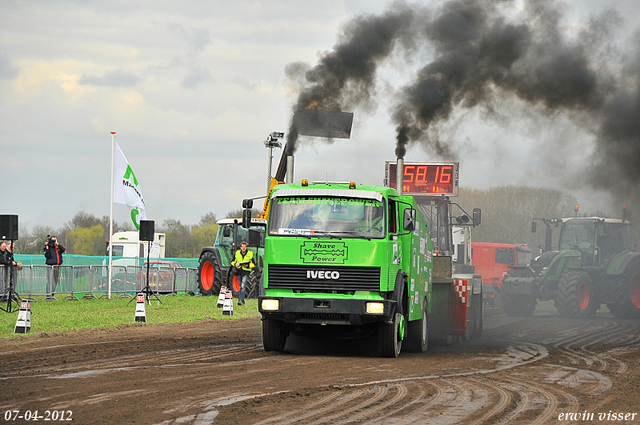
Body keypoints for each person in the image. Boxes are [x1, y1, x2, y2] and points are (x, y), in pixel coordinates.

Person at [231, 241, 254, 306]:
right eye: (242, 247)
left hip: (246, 272)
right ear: (240, 247)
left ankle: (240, 300)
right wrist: (236, 264)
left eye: (245, 247)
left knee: (243, 286)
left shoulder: (250, 253)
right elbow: (232, 262)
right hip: (238, 271)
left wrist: (248, 266)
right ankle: (242, 300)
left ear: (246, 247)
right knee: (241, 286)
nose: (244, 248)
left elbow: (253, 264)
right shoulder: (237, 253)